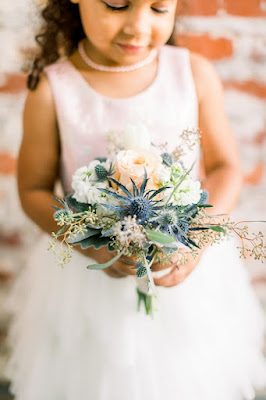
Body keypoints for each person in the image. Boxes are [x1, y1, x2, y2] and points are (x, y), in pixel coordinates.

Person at [6, 0, 266, 398]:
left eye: (159, 9)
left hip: (185, 271)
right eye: (117, 4)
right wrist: (92, 247)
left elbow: (227, 167)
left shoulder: (193, 74)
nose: (137, 26)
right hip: (86, 284)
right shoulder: (53, 90)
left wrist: (196, 239)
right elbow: (33, 191)